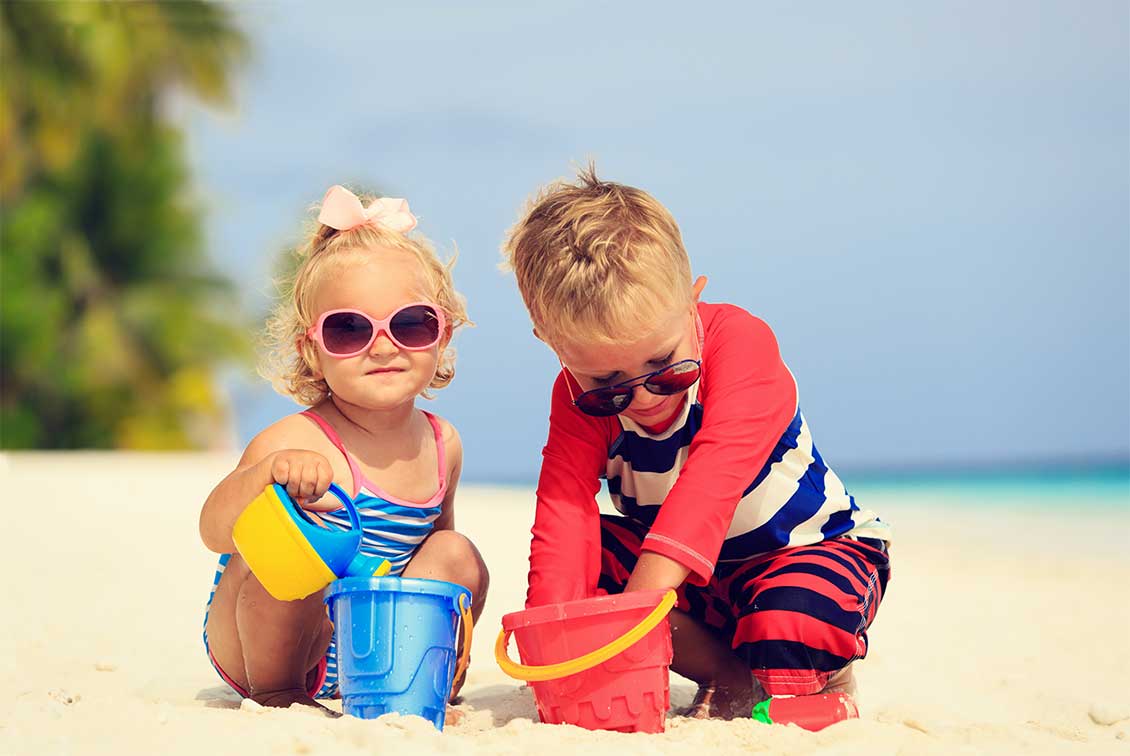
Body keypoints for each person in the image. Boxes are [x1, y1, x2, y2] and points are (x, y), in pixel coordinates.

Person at [502, 166, 891, 720]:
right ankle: (727, 671)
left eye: (664, 367)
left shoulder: (741, 344)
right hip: (693, 591)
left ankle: (816, 680)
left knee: (795, 619)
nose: (639, 399)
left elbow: (711, 483)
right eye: (605, 386)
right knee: (582, 581)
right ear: (553, 345)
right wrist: (559, 645)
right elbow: (564, 512)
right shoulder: (571, 396)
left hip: (803, 551)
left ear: (692, 300)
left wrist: (635, 615)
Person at [199, 185, 489, 715]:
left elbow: (434, 551)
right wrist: (266, 476)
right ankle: (279, 690)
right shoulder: (295, 440)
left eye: (410, 324)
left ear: (442, 331)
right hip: (258, 640)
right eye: (349, 330)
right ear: (312, 350)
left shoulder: (441, 443)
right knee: (293, 557)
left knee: (458, 553)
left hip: (367, 641)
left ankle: (429, 670)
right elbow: (212, 530)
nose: (383, 345)